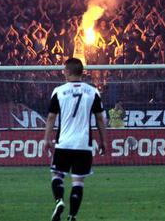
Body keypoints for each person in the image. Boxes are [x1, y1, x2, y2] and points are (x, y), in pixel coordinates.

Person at [43, 58, 107, 221]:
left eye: (64, 70)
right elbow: (100, 118)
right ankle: (72, 216)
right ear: (81, 72)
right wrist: (103, 140)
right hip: (83, 144)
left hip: (63, 143)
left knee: (57, 175)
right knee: (78, 182)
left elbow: (51, 117)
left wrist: (46, 138)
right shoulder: (92, 91)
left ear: (68, 72)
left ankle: (59, 200)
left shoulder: (59, 91)